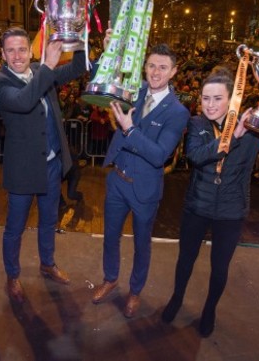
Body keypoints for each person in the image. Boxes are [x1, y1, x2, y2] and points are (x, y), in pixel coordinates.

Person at [161, 66, 259, 337]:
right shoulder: (197, 124)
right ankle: (177, 298)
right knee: (185, 260)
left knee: (220, 268)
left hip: (231, 212)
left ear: (231, 99)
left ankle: (209, 310)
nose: (210, 104)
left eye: (217, 98)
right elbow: (196, 156)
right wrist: (231, 136)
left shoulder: (252, 126)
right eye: (205, 98)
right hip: (197, 206)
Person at [91, 40, 190, 319]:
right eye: (151, 66)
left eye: (162, 67)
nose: (155, 72)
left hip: (145, 190)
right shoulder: (134, 90)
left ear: (173, 71)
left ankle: (135, 291)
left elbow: (159, 155)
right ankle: (110, 279)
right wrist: (109, 50)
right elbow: (100, 81)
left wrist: (130, 129)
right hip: (117, 182)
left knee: (141, 244)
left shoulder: (178, 112)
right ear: (144, 67)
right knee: (110, 237)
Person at [0, 27, 87, 303]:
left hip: (52, 164)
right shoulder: (0, 83)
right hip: (22, 170)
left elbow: (79, 66)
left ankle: (47, 263)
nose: (18, 55)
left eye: (22, 49)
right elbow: (24, 101)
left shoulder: (40, 70)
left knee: (49, 220)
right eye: (11, 50)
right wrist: (47, 66)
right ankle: (12, 275)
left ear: (30, 49)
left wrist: (77, 34)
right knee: (15, 227)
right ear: (3, 54)